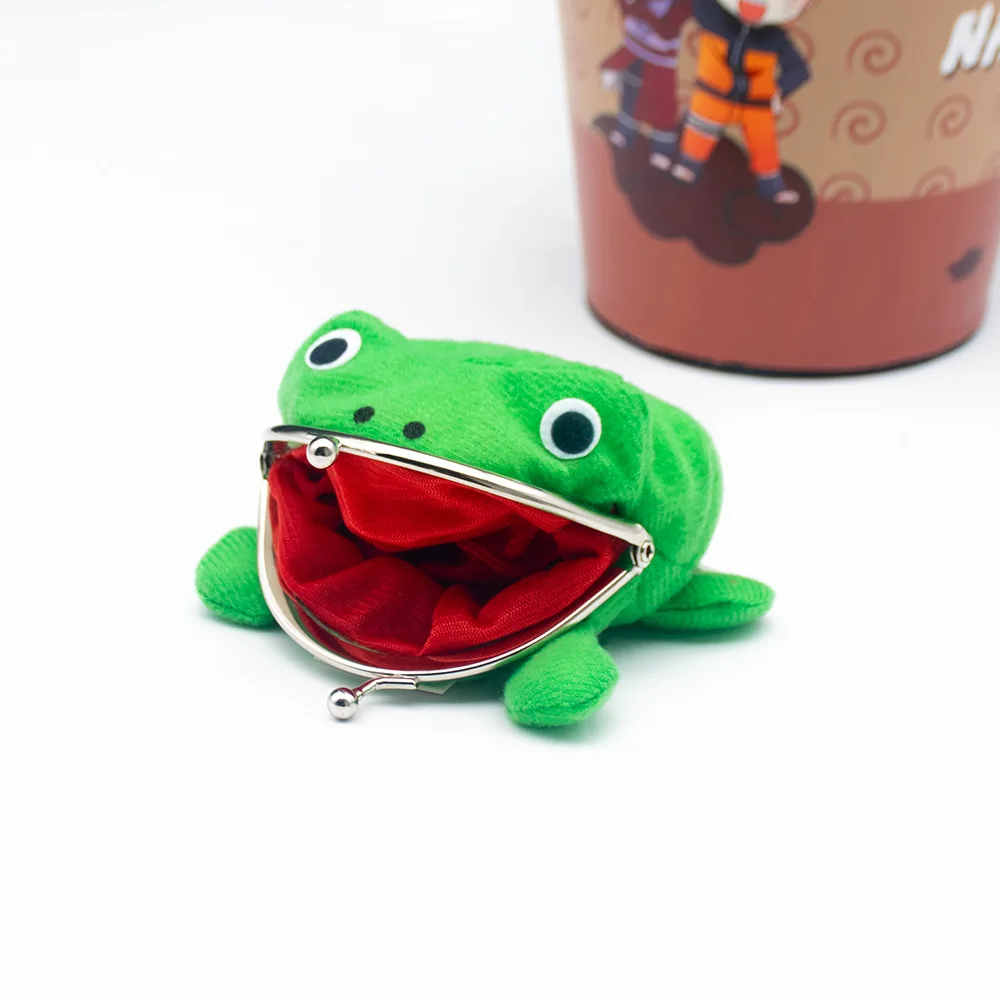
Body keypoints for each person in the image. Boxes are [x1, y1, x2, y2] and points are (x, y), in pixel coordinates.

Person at [672, 0, 811, 202]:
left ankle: (772, 187)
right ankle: (688, 165)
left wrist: (779, 91)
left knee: (764, 145)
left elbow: (799, 71)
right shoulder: (712, 15)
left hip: (756, 104)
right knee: (699, 129)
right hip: (714, 95)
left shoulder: (774, 37)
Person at [600, 0, 694, 171]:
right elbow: (626, 7)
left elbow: (667, 31)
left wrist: (640, 11)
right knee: (630, 91)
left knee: (663, 103)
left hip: (661, 57)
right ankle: (625, 132)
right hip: (633, 46)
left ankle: (662, 149)